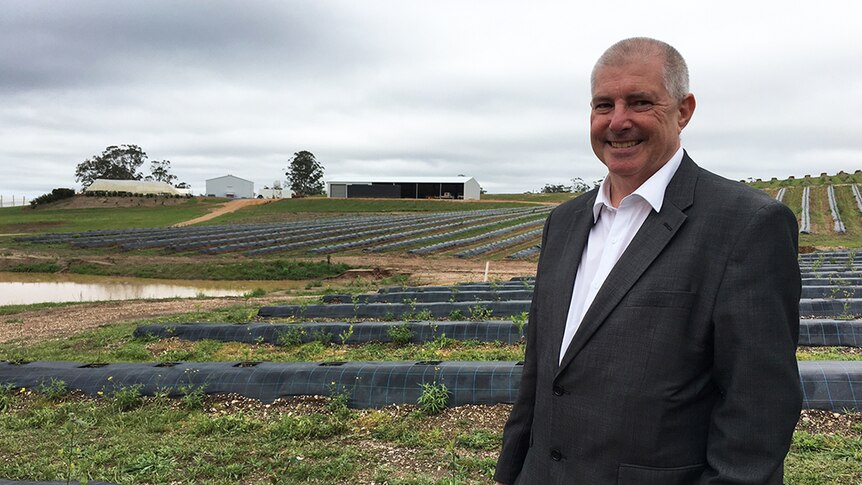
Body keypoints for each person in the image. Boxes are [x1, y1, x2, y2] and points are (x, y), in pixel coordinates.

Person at [494, 37, 802, 484]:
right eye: (604, 105)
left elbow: (759, 407)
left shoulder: (746, 225)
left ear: (683, 110)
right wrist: (511, 474)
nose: (618, 121)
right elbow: (540, 372)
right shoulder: (562, 223)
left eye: (640, 102)